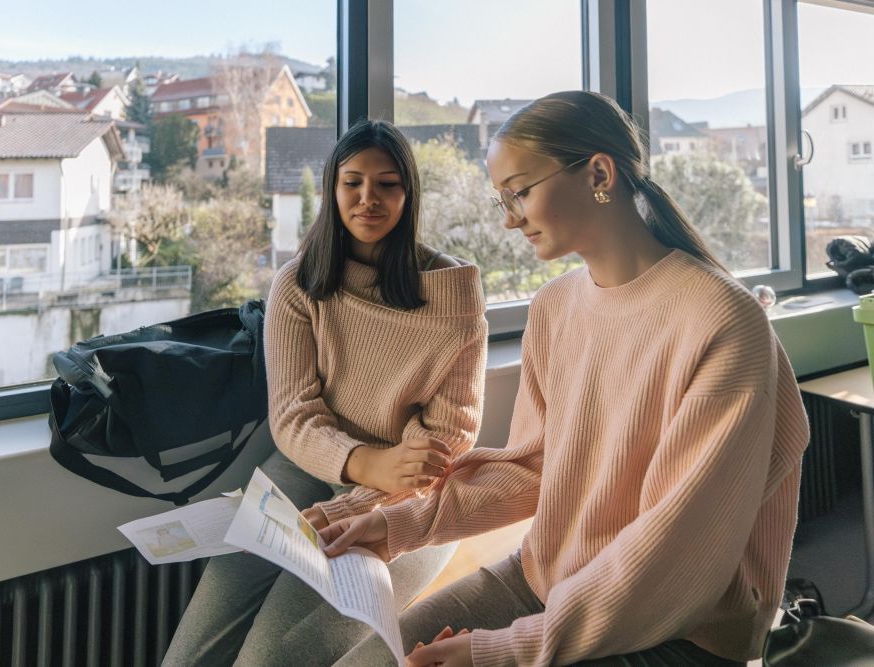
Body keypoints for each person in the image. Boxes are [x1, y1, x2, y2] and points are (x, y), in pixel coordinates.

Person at [319, 91, 810, 666]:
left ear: (599, 173)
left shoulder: (721, 320)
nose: (508, 218)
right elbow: (536, 467)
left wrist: (502, 652)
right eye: (501, 199)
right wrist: (395, 524)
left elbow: (674, 557)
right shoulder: (554, 307)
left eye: (520, 192)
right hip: (545, 578)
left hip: (678, 628)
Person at [162, 119, 488, 666]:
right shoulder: (298, 284)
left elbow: (448, 439)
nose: (368, 199)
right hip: (304, 471)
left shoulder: (451, 294)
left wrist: (367, 494)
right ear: (331, 190)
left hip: (411, 495)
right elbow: (293, 416)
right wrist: (363, 463)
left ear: (409, 194)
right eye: (352, 182)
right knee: (191, 653)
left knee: (270, 659)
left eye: (387, 184)